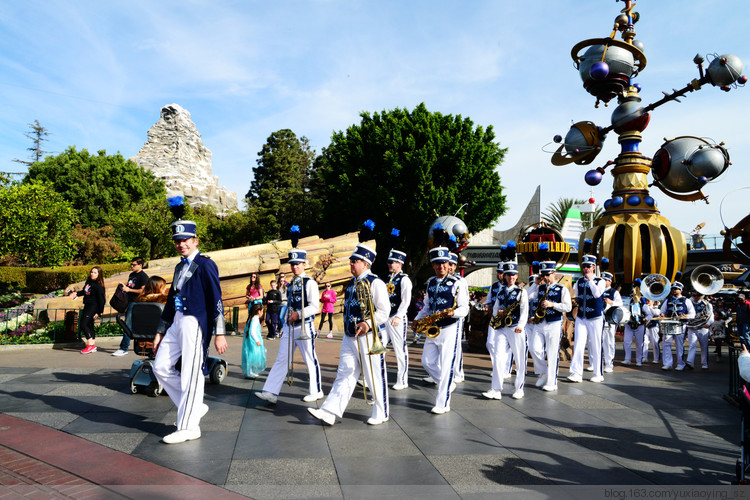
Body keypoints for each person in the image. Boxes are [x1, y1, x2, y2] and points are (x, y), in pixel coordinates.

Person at [152, 219, 227, 444]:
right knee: (160, 367)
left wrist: (220, 332)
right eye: (177, 241)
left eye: (185, 240)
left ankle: (189, 427)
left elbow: (217, 299)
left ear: (195, 241)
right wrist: (160, 331)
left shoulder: (205, 265)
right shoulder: (178, 267)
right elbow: (171, 300)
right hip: (176, 322)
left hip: (194, 323)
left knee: (191, 373)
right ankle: (195, 407)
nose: (181, 244)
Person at [308, 225, 391, 425]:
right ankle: (330, 411)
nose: (351, 264)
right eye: (351, 261)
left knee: (373, 377)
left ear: (365, 263)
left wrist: (368, 324)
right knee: (344, 373)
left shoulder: (375, 282)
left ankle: (382, 412)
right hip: (349, 335)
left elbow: (384, 311)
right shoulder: (353, 283)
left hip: (368, 337)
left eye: (354, 261)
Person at [255, 228, 323, 405]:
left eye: (298, 264)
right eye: (293, 264)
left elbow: (315, 307)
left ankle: (316, 391)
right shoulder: (291, 283)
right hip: (290, 326)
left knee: (310, 359)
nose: (295, 267)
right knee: (281, 359)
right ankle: (270, 391)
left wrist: (298, 314)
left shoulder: (310, 283)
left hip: (304, 326)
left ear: (304, 264)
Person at [413, 246, 469, 414]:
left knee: (446, 366)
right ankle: (448, 383)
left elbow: (465, 308)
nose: (441, 267)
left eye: (444, 263)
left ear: (448, 263)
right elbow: (426, 306)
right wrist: (416, 319)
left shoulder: (457, 282)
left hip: (449, 328)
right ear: (433, 265)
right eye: (437, 264)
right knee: (427, 361)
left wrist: (454, 312)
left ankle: (443, 403)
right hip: (433, 328)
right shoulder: (430, 282)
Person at [483, 242, 528, 400]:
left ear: (516, 276)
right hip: (502, 327)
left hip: (515, 327)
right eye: (508, 275)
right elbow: (495, 306)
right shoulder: (501, 289)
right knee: (498, 356)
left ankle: (519, 388)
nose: (510, 277)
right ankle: (496, 389)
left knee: (519, 358)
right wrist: (498, 313)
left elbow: (524, 311)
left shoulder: (521, 292)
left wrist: (521, 326)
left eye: (513, 275)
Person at [526, 256, 571, 392]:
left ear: (554, 273)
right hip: (540, 323)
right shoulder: (540, 288)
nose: (545, 277)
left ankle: (552, 382)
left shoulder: (561, 288)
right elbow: (526, 297)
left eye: (547, 274)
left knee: (551, 353)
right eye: (543, 274)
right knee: (533, 348)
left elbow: (568, 307)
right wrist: (535, 283)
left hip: (554, 323)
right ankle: (544, 372)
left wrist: (552, 304)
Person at [567, 240, 607, 383]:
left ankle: (598, 373)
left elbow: (597, 295)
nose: (586, 269)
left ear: (594, 267)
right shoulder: (579, 282)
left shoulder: (600, 281)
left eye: (589, 267)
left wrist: (591, 281)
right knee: (578, 344)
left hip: (596, 317)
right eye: (584, 267)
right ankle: (576, 373)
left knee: (596, 345)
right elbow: (577, 297)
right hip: (582, 317)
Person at [383, 237, 412, 391]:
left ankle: (402, 379)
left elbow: (406, 301)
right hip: (385, 317)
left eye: (392, 262)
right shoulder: (389, 278)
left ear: (399, 264)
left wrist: (399, 316)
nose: (389, 264)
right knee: (378, 347)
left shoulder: (404, 280)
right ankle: (374, 376)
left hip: (396, 318)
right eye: (389, 262)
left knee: (399, 349)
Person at [112, 257, 149, 356]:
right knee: (132, 325)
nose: (132, 266)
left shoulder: (143, 276)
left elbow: (143, 291)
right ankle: (138, 346)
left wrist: (129, 290)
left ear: (140, 265)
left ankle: (123, 348)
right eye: (131, 265)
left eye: (134, 265)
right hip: (129, 301)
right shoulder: (132, 275)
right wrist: (124, 287)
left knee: (128, 325)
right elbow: (131, 286)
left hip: (136, 302)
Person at [66, 266, 106, 354]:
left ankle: (90, 345)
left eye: (95, 273)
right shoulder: (89, 282)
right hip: (87, 305)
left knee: (83, 324)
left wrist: (99, 312)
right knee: (90, 325)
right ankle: (93, 345)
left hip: (93, 306)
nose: (92, 274)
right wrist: (75, 294)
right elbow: (85, 291)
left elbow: (102, 300)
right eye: (92, 272)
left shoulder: (98, 286)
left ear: (99, 274)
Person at [660, 280, 695, 371]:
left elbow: (692, 314)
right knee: (666, 343)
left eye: (676, 289)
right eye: (673, 289)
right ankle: (667, 363)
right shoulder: (668, 300)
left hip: (680, 324)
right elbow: (662, 311)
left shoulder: (686, 300)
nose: (674, 290)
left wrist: (685, 316)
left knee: (679, 344)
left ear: (681, 290)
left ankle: (680, 364)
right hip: (669, 323)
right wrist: (662, 314)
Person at [600, 261, 622, 373]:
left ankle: (609, 364)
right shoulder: (598, 290)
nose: (604, 282)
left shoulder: (614, 292)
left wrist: (611, 302)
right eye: (602, 280)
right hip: (598, 318)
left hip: (610, 320)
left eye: (606, 280)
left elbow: (620, 305)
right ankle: (596, 363)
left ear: (610, 281)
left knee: (608, 342)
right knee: (596, 342)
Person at [685, 290, 714, 370]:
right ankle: (690, 362)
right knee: (692, 345)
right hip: (692, 327)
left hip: (702, 327)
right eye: (694, 295)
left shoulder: (707, 304)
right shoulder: (689, 302)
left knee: (704, 346)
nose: (696, 297)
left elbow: (711, 315)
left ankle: (704, 363)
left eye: (698, 295)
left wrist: (708, 323)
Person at [242, 303, 267, 378]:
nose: (262, 313)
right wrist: (257, 340)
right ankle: (250, 372)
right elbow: (252, 331)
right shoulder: (255, 319)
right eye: (262, 311)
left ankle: (249, 371)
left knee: (249, 356)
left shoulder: (251, 318)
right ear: (258, 311)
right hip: (253, 341)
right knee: (253, 356)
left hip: (249, 340)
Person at [641, 299, 661, 364]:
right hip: (646, 326)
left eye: (648, 301)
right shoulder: (644, 306)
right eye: (646, 301)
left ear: (653, 301)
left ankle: (656, 358)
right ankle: (644, 357)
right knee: (645, 342)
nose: (647, 302)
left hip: (654, 326)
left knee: (655, 342)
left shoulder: (656, 308)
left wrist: (652, 307)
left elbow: (656, 313)